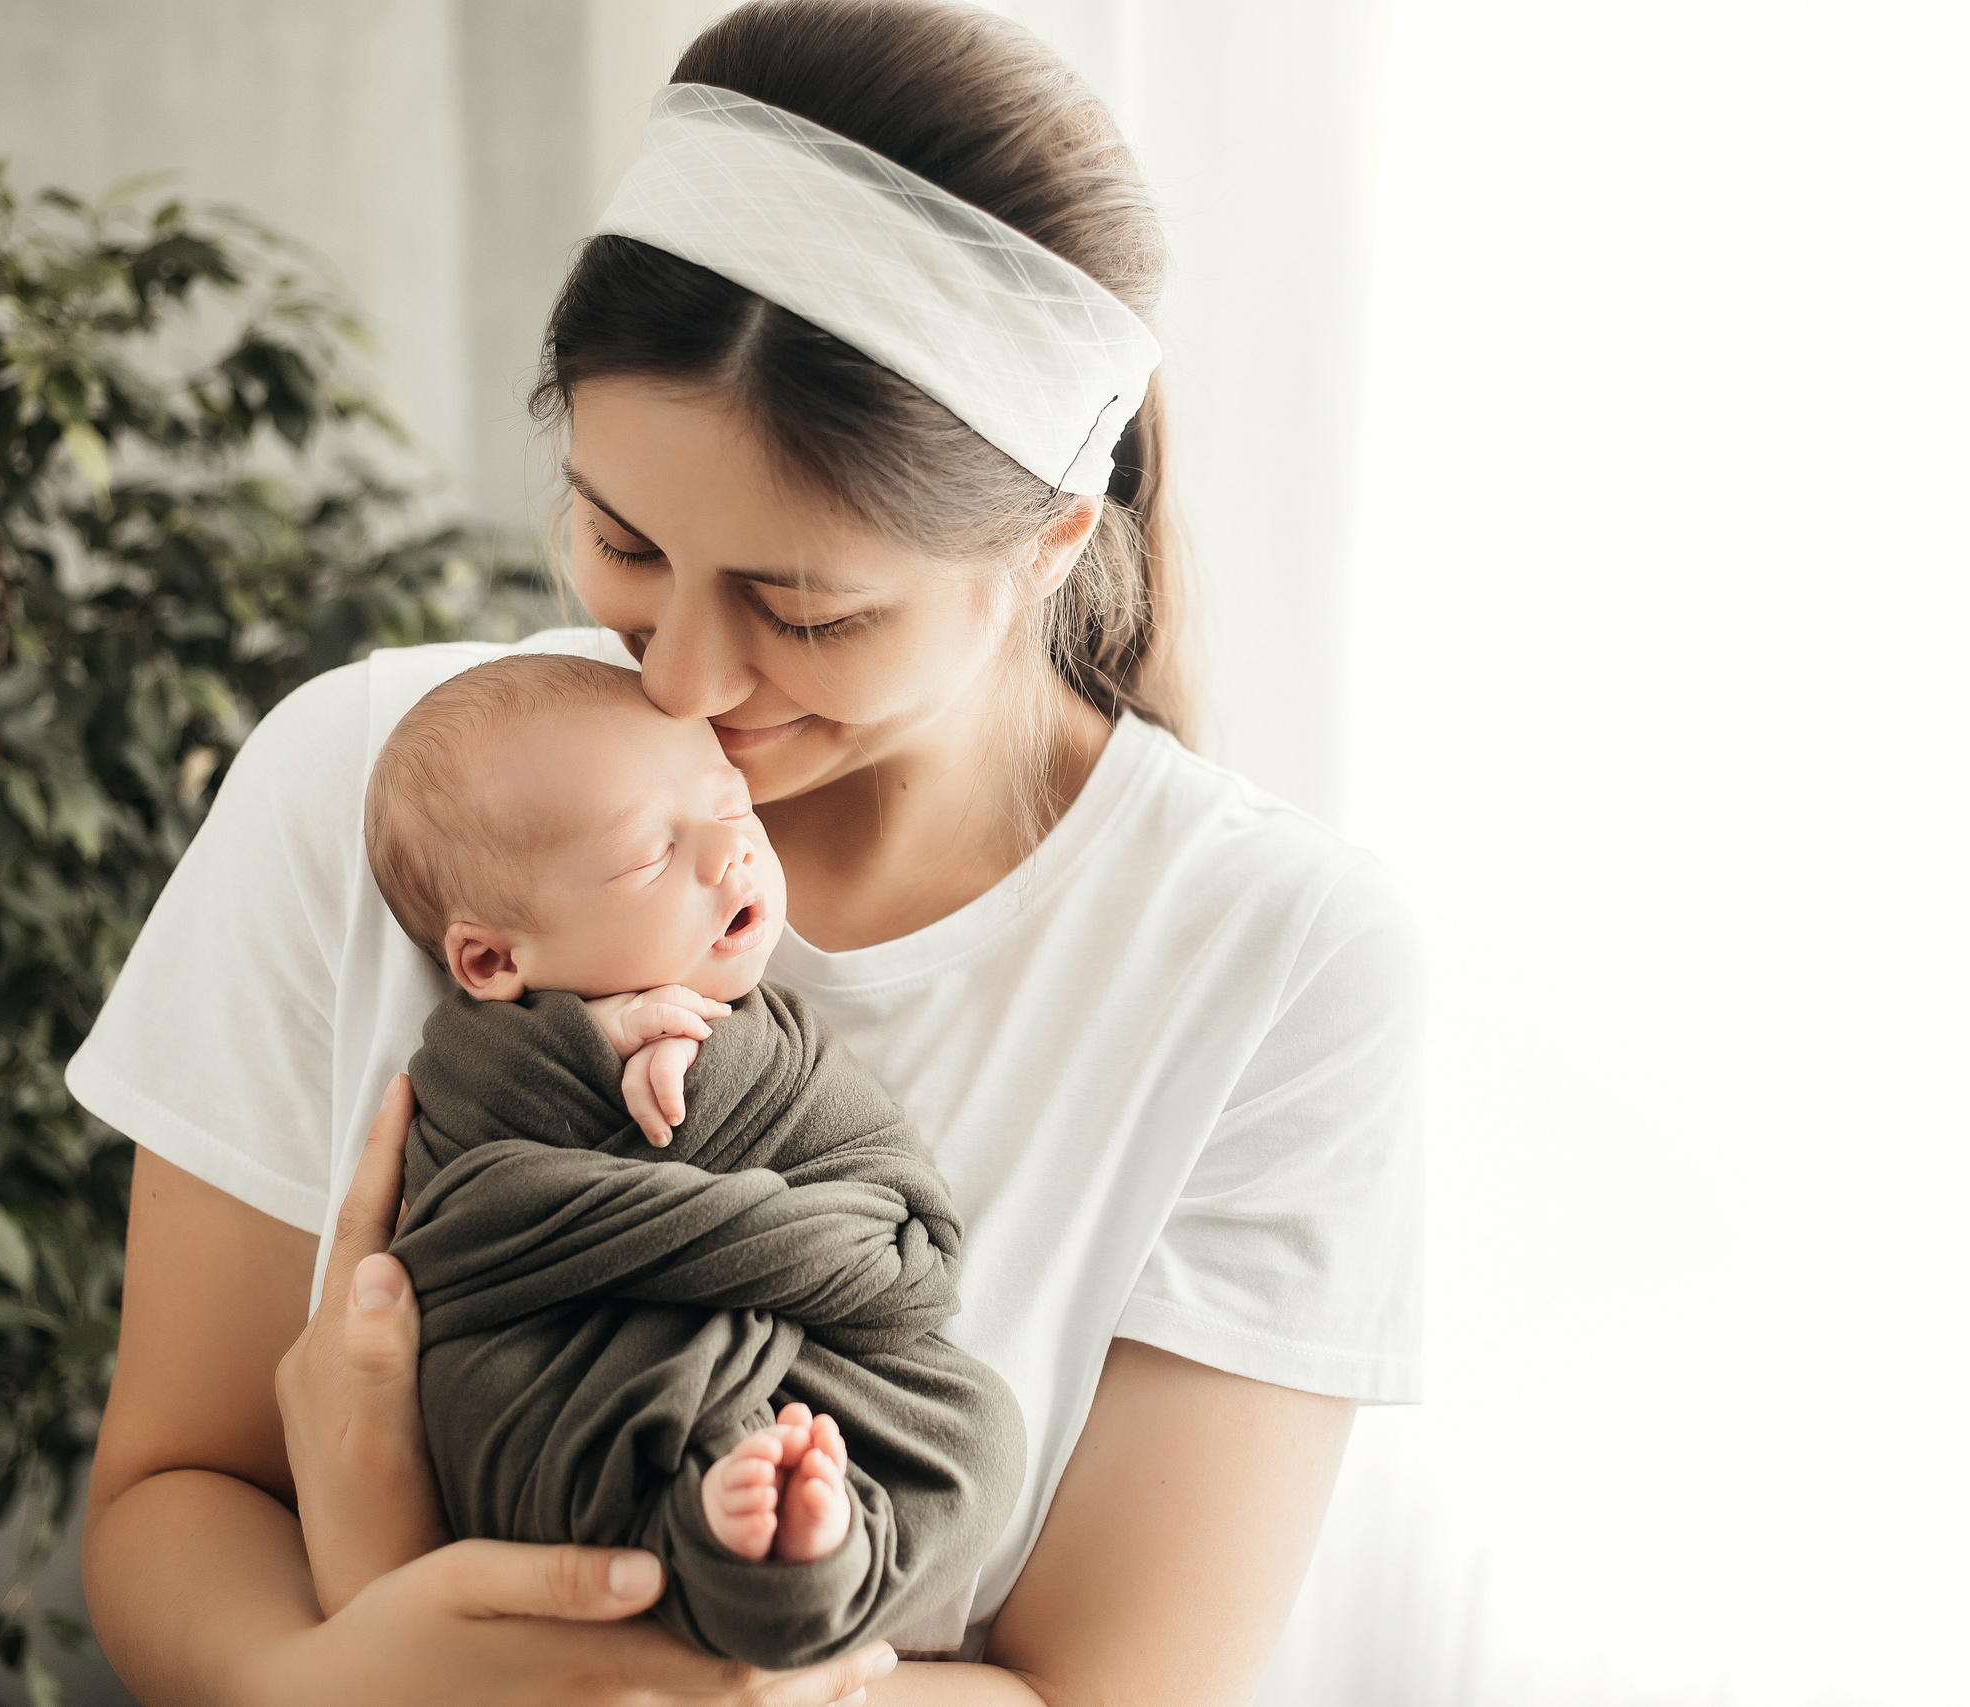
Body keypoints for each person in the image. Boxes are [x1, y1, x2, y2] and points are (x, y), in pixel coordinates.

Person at [73, 3, 1422, 1703]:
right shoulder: (376, 780)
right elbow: (169, 1497)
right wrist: (319, 1679)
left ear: (1050, 539)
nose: (684, 683)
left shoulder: (1274, 956)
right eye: (622, 540)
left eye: (808, 609)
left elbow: (1112, 1686)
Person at [366, 653, 1026, 1667]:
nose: (732, 853)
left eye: (731, 805)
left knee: (978, 1436)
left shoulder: (779, 1043)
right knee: (504, 1424)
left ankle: (801, 1548)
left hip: (805, 1347)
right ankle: (752, 1535)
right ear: (492, 963)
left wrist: (721, 1058)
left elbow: (895, 1220)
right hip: (580, 1376)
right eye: (650, 856)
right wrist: (593, 1040)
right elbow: (478, 1218)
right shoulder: (475, 1061)